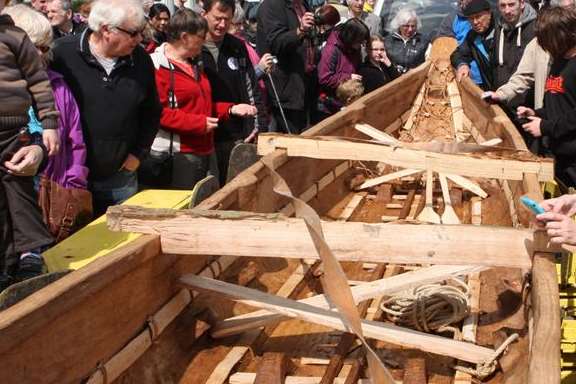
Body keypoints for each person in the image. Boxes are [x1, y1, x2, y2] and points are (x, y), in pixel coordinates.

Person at [51, 0, 162, 215]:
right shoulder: (63, 55)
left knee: (122, 239)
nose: (139, 39)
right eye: (133, 33)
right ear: (105, 30)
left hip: (119, 175)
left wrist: (138, 154)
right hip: (69, 175)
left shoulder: (140, 61)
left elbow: (152, 112)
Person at [5, 3, 91, 242]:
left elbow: (75, 141)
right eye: (33, 46)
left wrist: (71, 189)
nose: (40, 54)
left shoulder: (58, 86)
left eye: (44, 47)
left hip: (52, 200)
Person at [148, 9, 249, 189]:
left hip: (205, 150)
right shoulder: (156, 67)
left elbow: (202, 105)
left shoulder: (195, 65)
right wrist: (198, 124)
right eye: (200, 37)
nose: (203, 42)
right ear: (185, 37)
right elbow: (159, 114)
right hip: (180, 156)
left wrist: (230, 109)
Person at [0, 0, 60, 290]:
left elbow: (39, 84)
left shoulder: (15, 39)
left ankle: (28, 257)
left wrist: (44, 134)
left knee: (18, 188)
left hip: (13, 132)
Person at [201, 0, 260, 184]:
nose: (222, 25)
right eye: (217, 19)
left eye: (227, 20)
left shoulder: (237, 47)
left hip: (235, 134)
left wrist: (256, 123)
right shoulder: (194, 46)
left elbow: (251, 87)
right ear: (205, 14)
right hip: (204, 134)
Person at [517, 6, 576, 188]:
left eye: (545, 40)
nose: (543, 46)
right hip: (559, 155)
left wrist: (545, 127)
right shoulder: (558, 61)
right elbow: (558, 104)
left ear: (559, 36)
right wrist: (537, 112)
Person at [485, 0, 575, 109]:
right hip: (545, 116)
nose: (507, 10)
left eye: (571, 8)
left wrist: (545, 125)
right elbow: (523, 76)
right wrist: (500, 94)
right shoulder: (538, 43)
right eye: (503, 6)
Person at [257, 0, 319, 134]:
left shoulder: (304, 4)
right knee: (288, 140)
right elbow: (276, 43)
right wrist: (300, 30)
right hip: (284, 90)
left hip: (305, 87)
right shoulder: (271, 5)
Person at [317, 18, 369, 116]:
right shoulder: (331, 49)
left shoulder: (354, 50)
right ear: (351, 38)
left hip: (346, 101)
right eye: (359, 42)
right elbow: (324, 78)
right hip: (329, 104)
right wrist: (348, 77)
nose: (360, 45)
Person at [451, 0, 496, 90]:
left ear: (489, 14)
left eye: (478, 16)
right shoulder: (472, 36)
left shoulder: (502, 31)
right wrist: (462, 65)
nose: (475, 22)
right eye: (471, 18)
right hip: (492, 93)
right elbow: (458, 54)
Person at [436, 0, 483, 86]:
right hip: (464, 78)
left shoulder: (485, 16)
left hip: (491, 77)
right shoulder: (451, 20)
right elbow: (443, 49)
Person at [492, 0, 537, 90]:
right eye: (503, 6)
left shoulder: (536, 28)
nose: (507, 11)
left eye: (511, 5)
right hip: (501, 95)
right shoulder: (499, 28)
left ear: (522, 4)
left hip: (528, 97)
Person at [384, 8, 429, 74]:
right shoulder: (388, 41)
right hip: (392, 80)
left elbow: (428, 63)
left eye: (413, 26)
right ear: (399, 25)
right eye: (406, 26)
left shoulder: (423, 41)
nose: (410, 29)